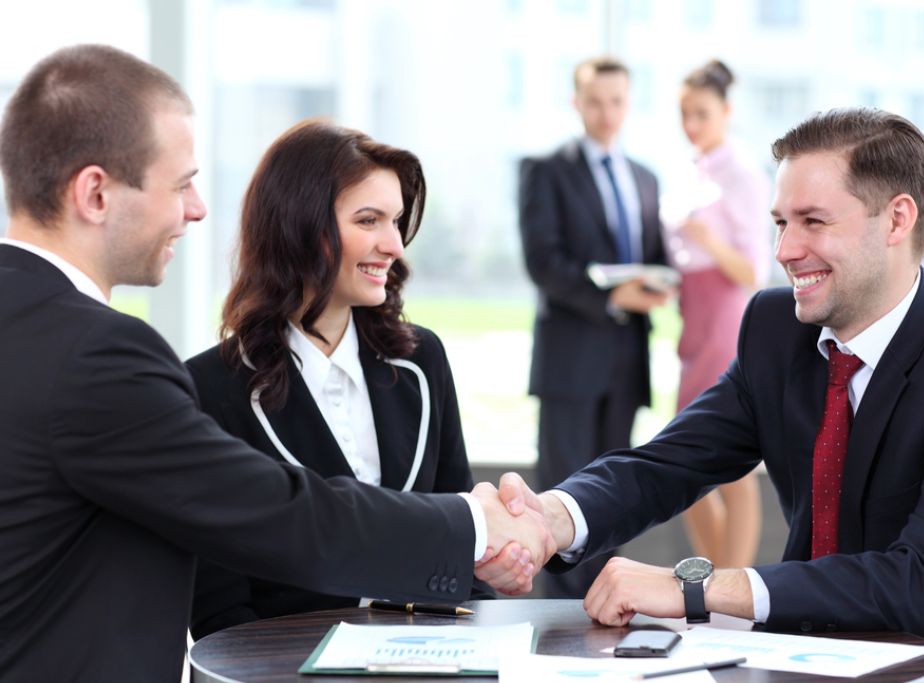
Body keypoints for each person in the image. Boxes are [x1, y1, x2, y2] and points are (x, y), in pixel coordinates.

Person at [0, 44, 548, 682]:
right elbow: (278, 514)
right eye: (180, 184)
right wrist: (473, 525)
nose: (198, 208)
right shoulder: (102, 354)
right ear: (95, 193)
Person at [493, 108, 924, 682]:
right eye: (780, 223)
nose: (784, 251)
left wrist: (693, 589)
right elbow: (666, 464)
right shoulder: (777, 329)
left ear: (897, 220)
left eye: (813, 222)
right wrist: (551, 519)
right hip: (801, 656)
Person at [186, 120, 492, 639]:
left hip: (428, 659)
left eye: (395, 221)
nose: (393, 244)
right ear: (298, 224)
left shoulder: (424, 361)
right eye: (369, 220)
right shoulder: (211, 386)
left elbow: (461, 542)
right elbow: (218, 611)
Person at [517, 55, 668, 598]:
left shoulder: (646, 178)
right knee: (561, 496)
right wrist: (609, 297)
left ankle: (606, 604)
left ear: (628, 103)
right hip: (570, 358)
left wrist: (657, 286)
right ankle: (557, 619)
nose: (607, 112)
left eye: (617, 101)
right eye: (595, 100)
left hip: (628, 357)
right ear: (576, 102)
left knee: (615, 494)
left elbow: (653, 255)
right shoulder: (546, 169)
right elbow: (543, 263)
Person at [668, 60, 770, 568]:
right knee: (683, 464)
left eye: (701, 114)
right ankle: (715, 585)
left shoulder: (742, 173)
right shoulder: (690, 169)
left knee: (731, 462)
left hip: (726, 320)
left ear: (726, 112)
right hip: (693, 316)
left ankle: (733, 590)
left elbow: (754, 269)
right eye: (684, 114)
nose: (691, 125)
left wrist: (706, 239)